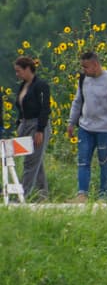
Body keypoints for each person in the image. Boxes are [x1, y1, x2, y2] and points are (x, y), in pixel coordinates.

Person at [67, 50, 107, 201]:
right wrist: (71, 122)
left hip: (105, 130)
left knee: (104, 162)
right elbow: (78, 101)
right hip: (86, 128)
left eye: (86, 67)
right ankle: (82, 194)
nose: (83, 70)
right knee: (83, 161)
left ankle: (104, 196)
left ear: (95, 64)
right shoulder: (83, 79)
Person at [12, 56, 51, 200]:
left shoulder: (40, 85)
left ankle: (22, 195)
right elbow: (22, 108)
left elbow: (44, 108)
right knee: (36, 161)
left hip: (37, 124)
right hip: (25, 123)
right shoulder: (23, 86)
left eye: (19, 71)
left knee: (31, 161)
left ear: (28, 69)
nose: (17, 74)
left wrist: (40, 130)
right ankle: (43, 194)